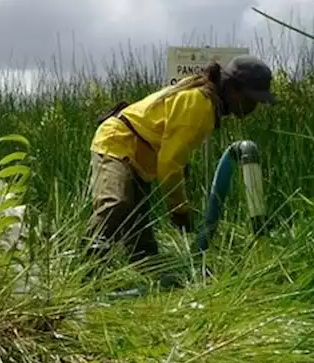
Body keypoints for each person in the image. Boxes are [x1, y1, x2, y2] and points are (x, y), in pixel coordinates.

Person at [84, 55, 277, 268]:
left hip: (140, 154)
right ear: (233, 88)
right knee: (116, 203)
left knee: (138, 231)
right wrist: (179, 209)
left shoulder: (206, 104)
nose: (253, 107)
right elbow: (168, 164)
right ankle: (86, 269)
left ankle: (151, 274)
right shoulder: (200, 104)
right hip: (118, 141)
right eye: (252, 99)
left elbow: (174, 149)